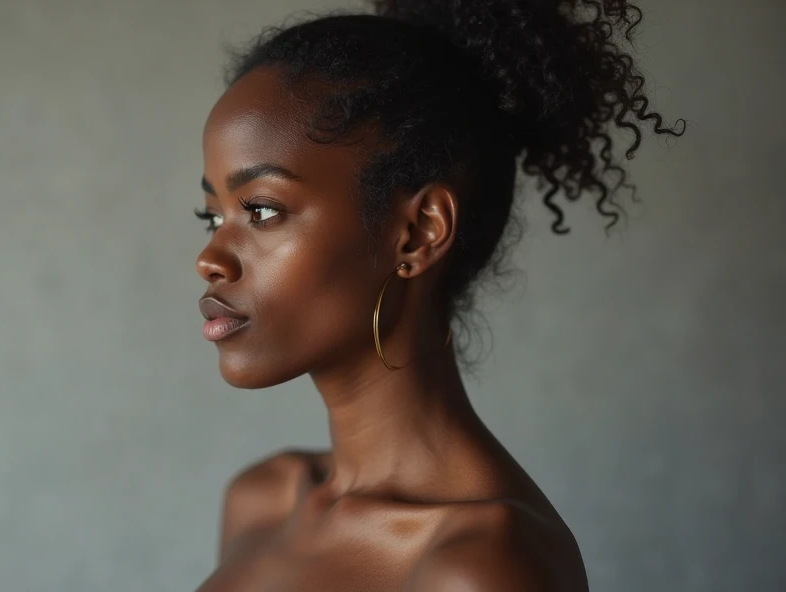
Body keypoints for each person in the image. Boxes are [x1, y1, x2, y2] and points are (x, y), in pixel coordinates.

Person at [192, 1, 684, 590]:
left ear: (420, 231)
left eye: (262, 210)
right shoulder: (261, 502)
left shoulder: (485, 565)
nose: (209, 258)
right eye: (211, 215)